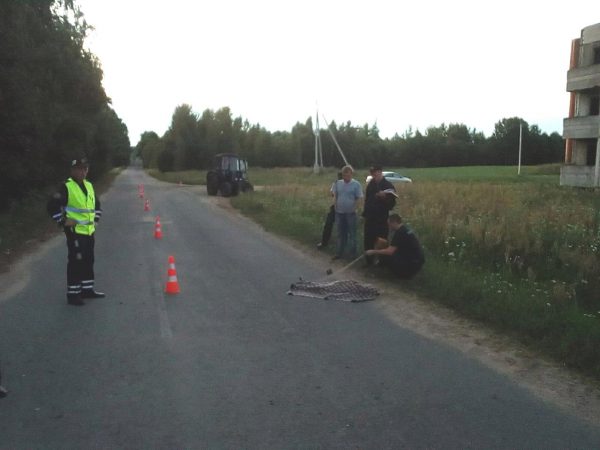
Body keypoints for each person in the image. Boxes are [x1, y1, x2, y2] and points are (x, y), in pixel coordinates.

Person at [47, 157, 105, 306]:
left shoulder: (89, 185)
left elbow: (97, 205)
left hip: (89, 231)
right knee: (76, 262)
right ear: (72, 170)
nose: (83, 172)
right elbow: (52, 205)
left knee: (88, 260)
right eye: (79, 169)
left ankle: (87, 289)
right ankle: (73, 294)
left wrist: (96, 221)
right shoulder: (66, 186)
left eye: (85, 168)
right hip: (74, 232)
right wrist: (62, 221)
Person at [365, 214, 425, 278]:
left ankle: (380, 274)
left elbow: (389, 252)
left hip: (410, 266)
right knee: (386, 249)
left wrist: (373, 251)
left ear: (394, 222)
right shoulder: (405, 229)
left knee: (385, 255)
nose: (389, 227)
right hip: (416, 263)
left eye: (389, 224)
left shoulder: (400, 233)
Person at [363, 165, 396, 266]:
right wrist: (364, 214)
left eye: (376, 172)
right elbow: (367, 200)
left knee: (381, 241)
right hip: (370, 217)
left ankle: (382, 263)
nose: (374, 175)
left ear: (380, 172)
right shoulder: (371, 184)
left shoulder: (388, 185)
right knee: (368, 239)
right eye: (372, 173)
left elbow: (392, 205)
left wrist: (384, 198)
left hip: (381, 218)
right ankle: (369, 262)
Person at [332, 165, 363, 260]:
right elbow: (335, 194)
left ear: (351, 174)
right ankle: (339, 252)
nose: (346, 177)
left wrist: (356, 208)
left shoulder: (356, 184)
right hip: (339, 212)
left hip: (351, 213)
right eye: (344, 175)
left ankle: (352, 254)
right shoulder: (337, 183)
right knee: (341, 233)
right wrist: (335, 204)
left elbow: (359, 198)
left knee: (352, 234)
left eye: (348, 175)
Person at [316, 171, 342, 249]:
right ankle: (324, 242)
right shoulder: (336, 184)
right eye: (339, 177)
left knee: (343, 227)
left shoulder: (350, 184)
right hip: (335, 207)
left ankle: (342, 246)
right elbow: (332, 193)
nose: (340, 178)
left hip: (345, 208)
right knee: (328, 224)